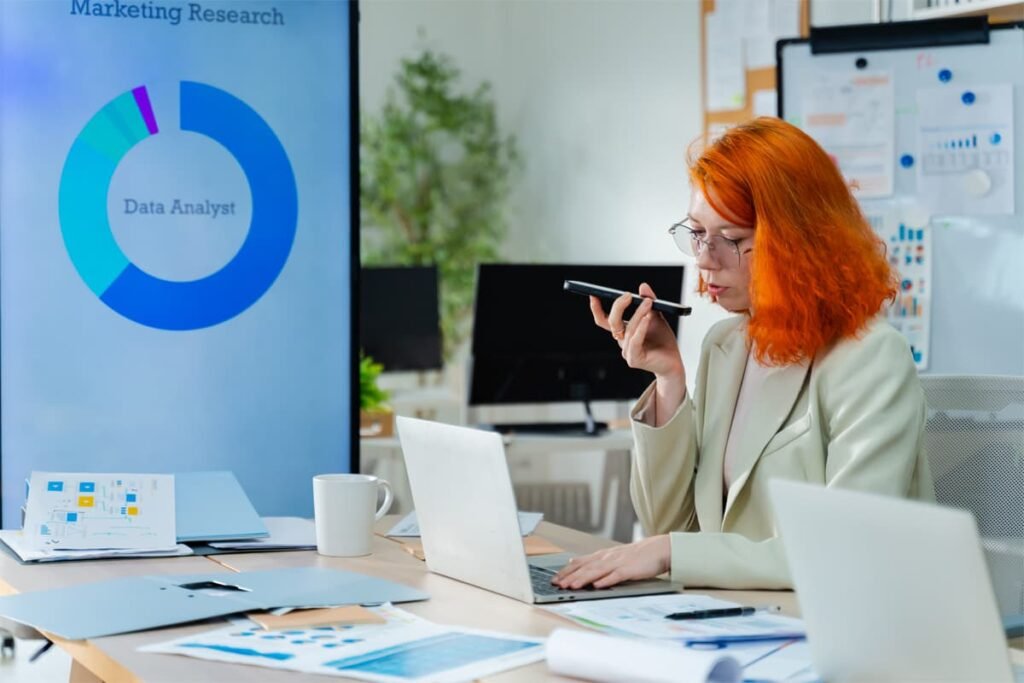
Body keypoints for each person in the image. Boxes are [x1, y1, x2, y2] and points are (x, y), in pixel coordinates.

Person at [553, 117, 934, 591]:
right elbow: (669, 526)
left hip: (844, 628)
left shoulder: (870, 358)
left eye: (730, 239)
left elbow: (843, 549)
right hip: (734, 623)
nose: (705, 258)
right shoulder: (724, 347)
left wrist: (669, 551)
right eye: (696, 234)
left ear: (797, 241)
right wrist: (670, 380)